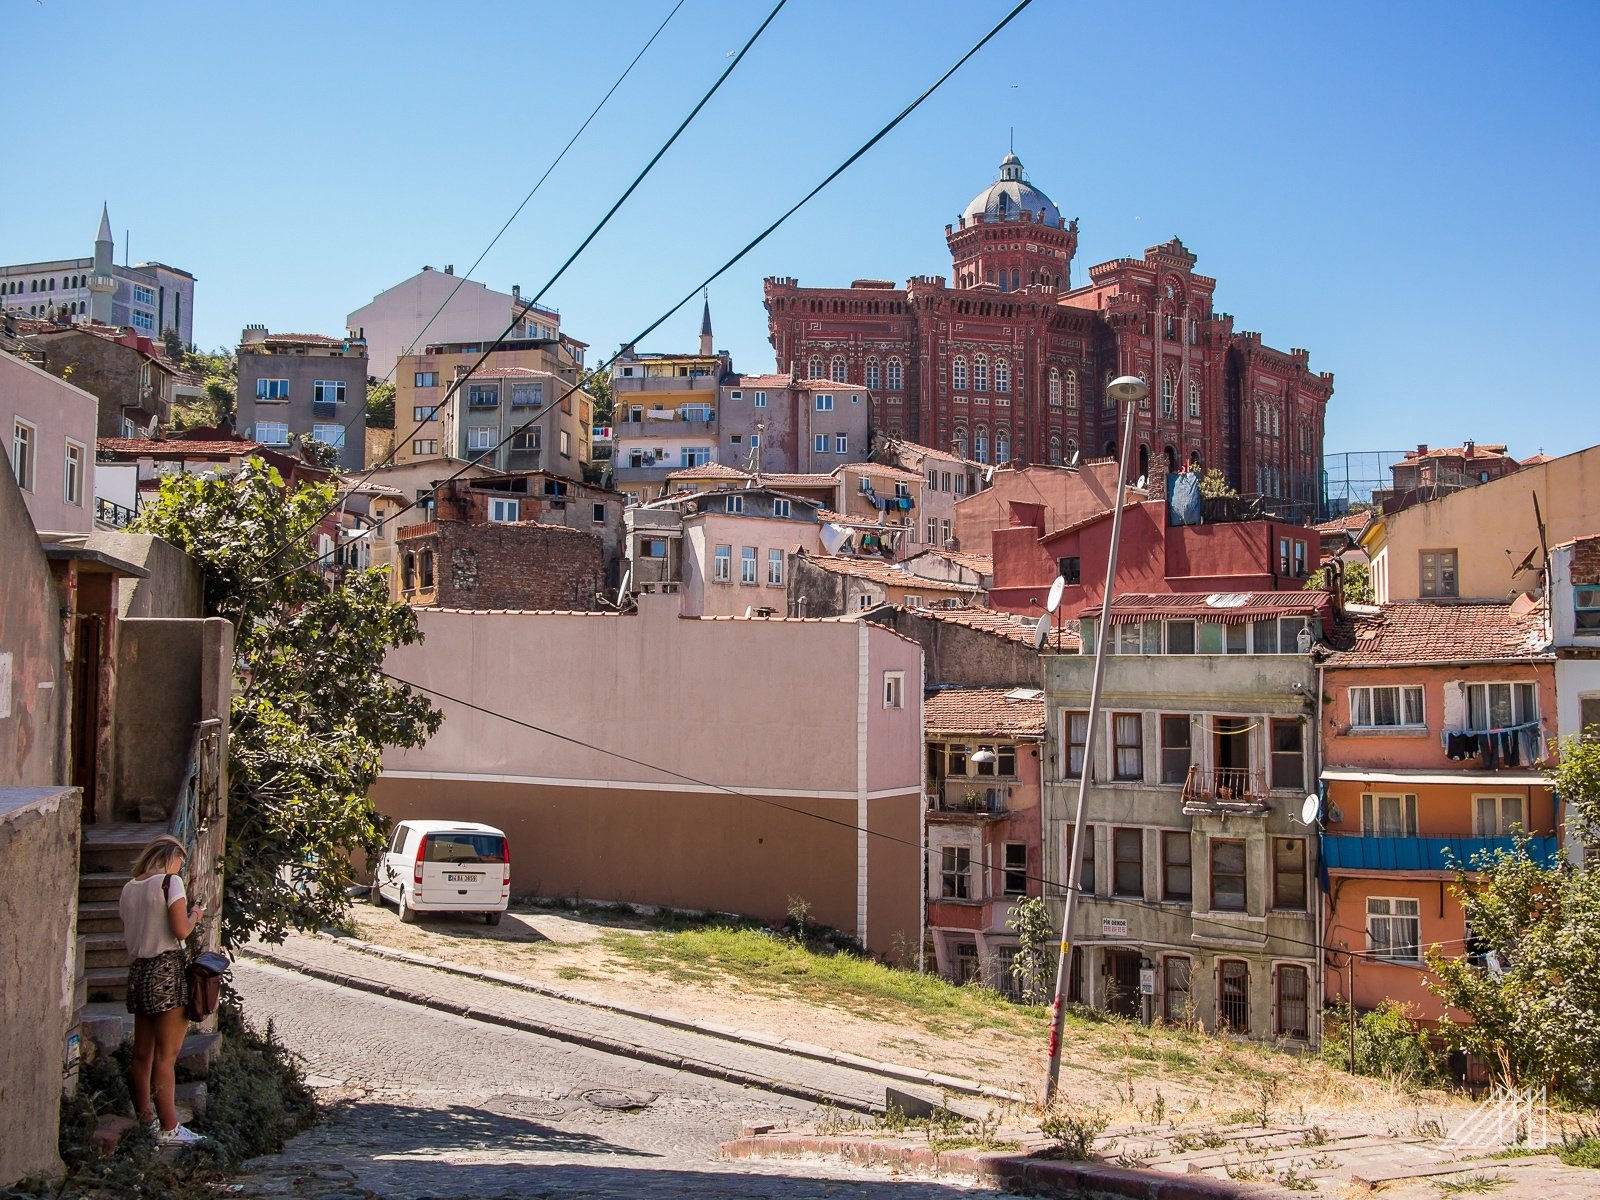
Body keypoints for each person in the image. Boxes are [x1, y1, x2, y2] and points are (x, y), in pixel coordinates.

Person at [119, 834, 207, 1146]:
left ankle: (146, 1119)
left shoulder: (129, 888)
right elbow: (180, 929)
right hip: (167, 970)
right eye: (179, 864)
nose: (180, 871)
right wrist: (196, 913)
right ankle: (170, 1128)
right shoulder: (170, 883)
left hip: (139, 972)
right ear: (170, 858)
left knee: (141, 1055)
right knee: (166, 1057)